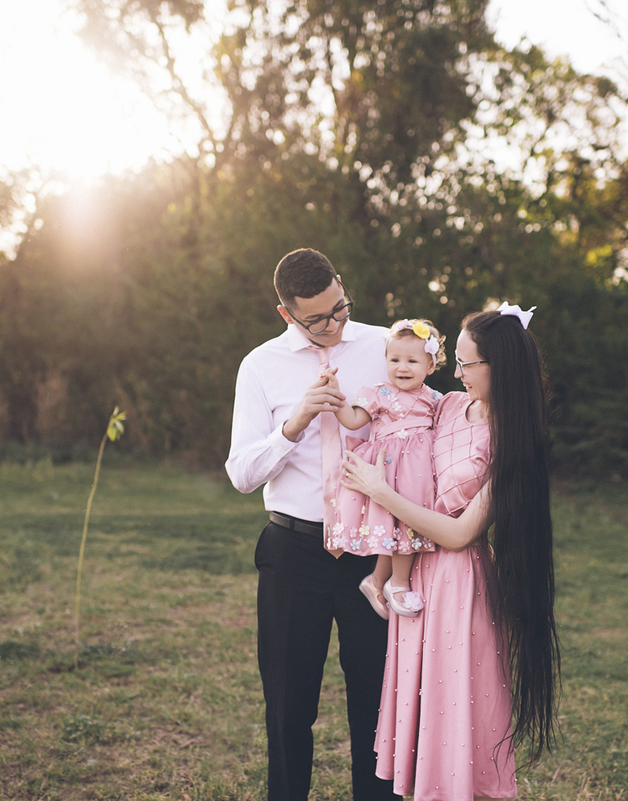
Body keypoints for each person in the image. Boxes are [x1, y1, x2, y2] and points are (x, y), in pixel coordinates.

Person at [341, 304, 559, 801]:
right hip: (414, 575)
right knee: (421, 714)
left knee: (456, 711)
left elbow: (461, 534)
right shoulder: (449, 407)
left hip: (460, 584)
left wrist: (381, 493)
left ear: (497, 368)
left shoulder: (514, 441)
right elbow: (398, 431)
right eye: (454, 363)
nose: (456, 374)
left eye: (466, 365)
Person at [225, 248, 401, 801]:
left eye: (339, 309)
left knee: (377, 705)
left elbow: (427, 415)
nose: (332, 325)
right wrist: (295, 423)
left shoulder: (384, 346)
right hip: (292, 551)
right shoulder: (260, 366)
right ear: (286, 314)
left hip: (370, 552)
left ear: (342, 287)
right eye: (316, 319)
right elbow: (241, 474)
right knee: (287, 704)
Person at [323, 318, 445, 619]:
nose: (402, 367)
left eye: (412, 361)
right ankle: (398, 582)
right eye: (395, 359)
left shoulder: (435, 400)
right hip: (387, 472)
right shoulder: (378, 392)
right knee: (398, 526)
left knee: (408, 523)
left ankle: (376, 580)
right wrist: (336, 395)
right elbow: (352, 420)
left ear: (430, 366)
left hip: (417, 475)